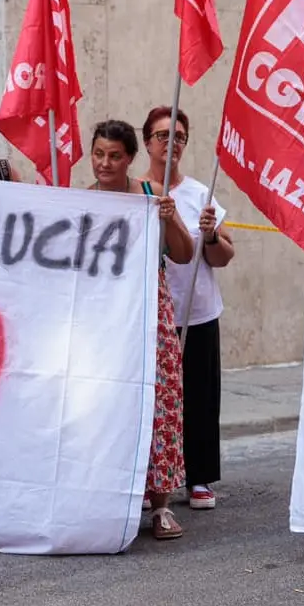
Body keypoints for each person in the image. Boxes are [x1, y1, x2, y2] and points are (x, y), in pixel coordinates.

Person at [90, 118, 194, 540]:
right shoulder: (82, 202)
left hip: (150, 314)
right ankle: (109, 496)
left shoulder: (152, 197)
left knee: (160, 402)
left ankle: (161, 506)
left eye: (115, 156)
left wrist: (170, 219)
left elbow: (185, 254)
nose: (105, 163)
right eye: (98, 154)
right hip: (102, 318)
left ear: (130, 158)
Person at [143, 106, 234, 512]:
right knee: (152, 399)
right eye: (162, 135)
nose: (170, 143)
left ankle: (198, 476)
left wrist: (211, 235)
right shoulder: (134, 190)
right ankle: (149, 478)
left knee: (199, 395)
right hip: (150, 314)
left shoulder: (200, 193)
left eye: (178, 137)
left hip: (196, 312)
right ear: (146, 142)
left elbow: (222, 257)